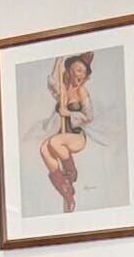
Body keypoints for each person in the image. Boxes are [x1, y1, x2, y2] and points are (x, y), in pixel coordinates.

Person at [36, 52, 96, 211]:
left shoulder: (81, 92)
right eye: (78, 71)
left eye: (84, 72)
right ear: (69, 71)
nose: (81, 75)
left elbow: (89, 116)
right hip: (63, 137)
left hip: (76, 135)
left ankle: (71, 173)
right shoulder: (63, 91)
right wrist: (57, 60)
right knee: (43, 148)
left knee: (55, 141)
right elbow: (52, 83)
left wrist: (68, 113)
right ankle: (67, 191)